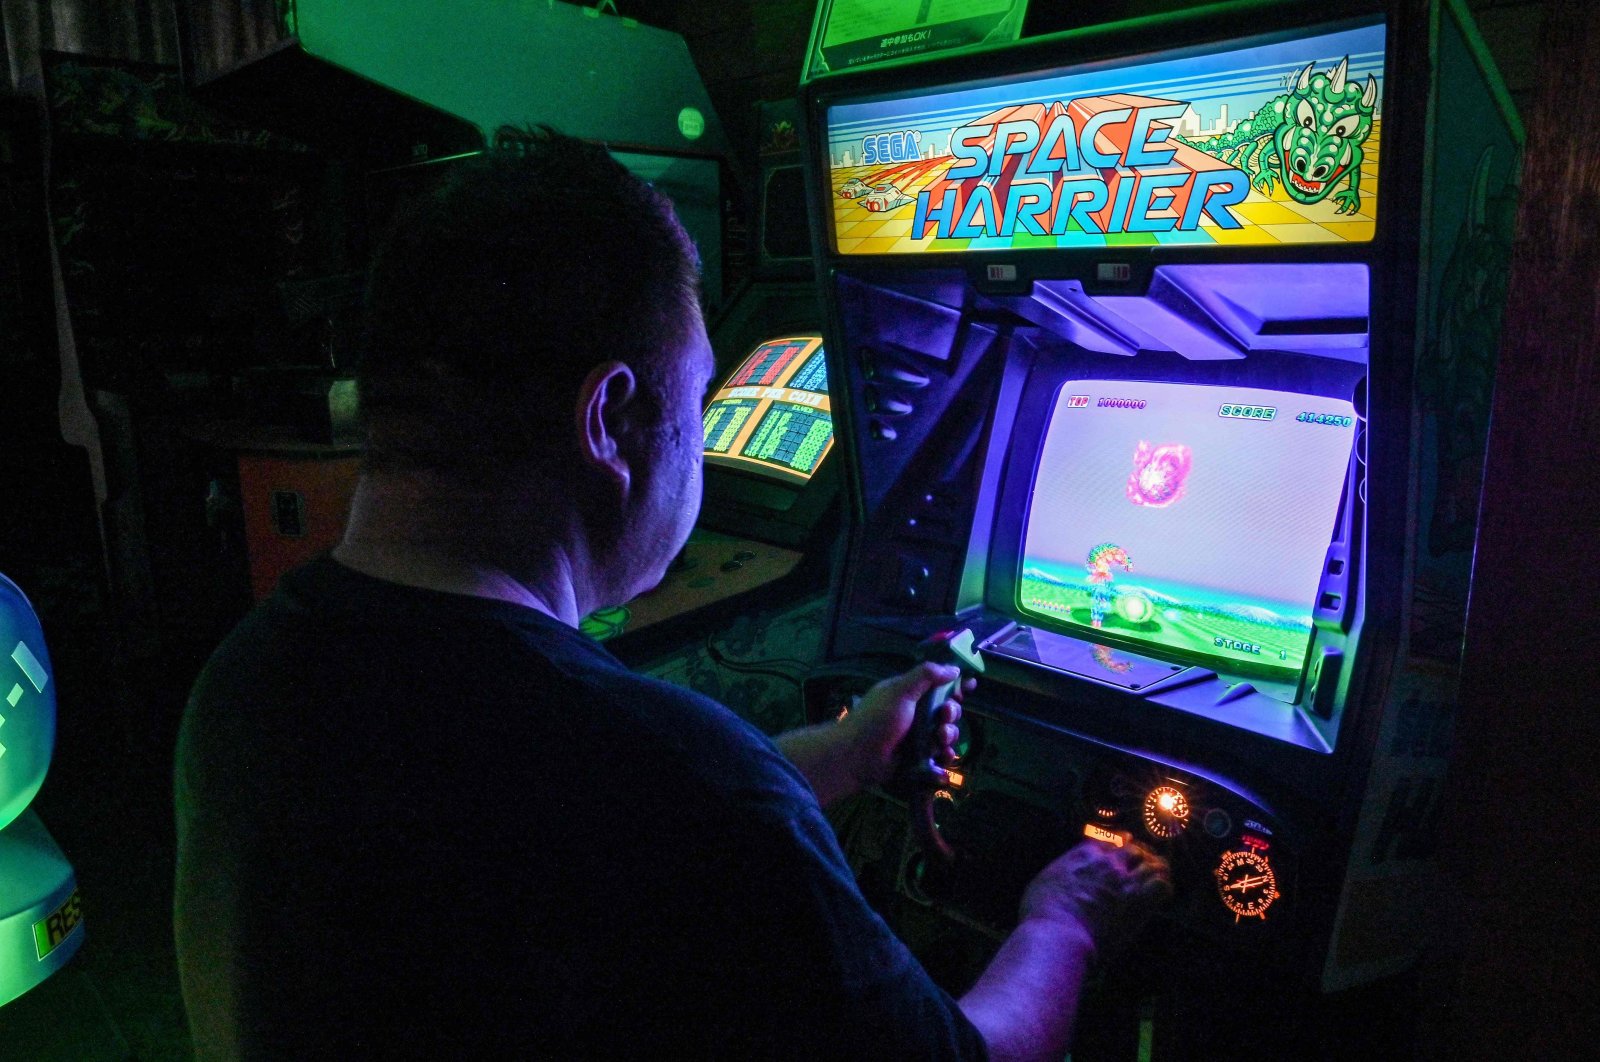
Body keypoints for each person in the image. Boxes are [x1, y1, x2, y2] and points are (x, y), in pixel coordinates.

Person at [173, 126, 1170, 1061]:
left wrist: (827, 757)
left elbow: (550, 832)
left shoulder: (244, 681)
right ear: (607, 420)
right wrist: (1067, 916)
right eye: (699, 400)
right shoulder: (686, 784)